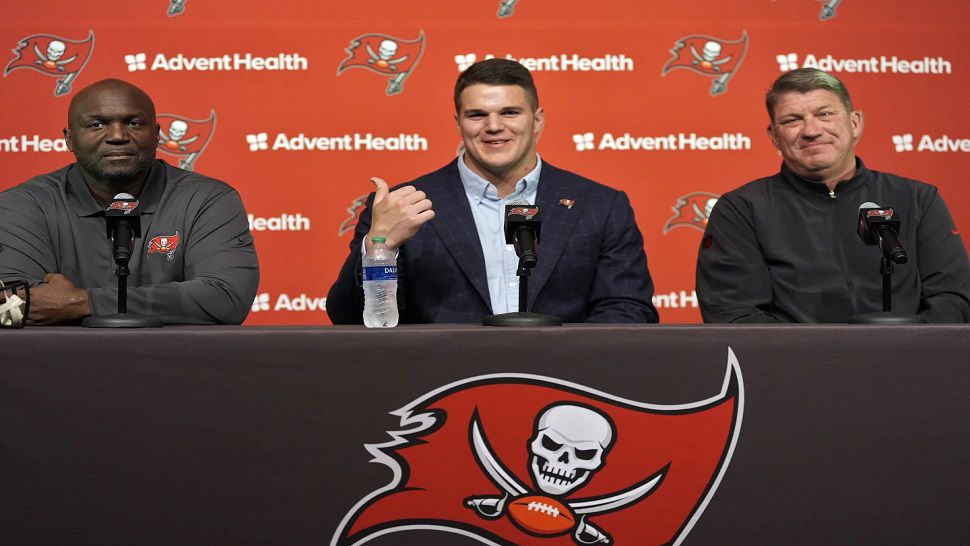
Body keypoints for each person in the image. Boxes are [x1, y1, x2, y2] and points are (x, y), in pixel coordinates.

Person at [328, 59, 658, 324]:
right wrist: (379, 246)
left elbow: (628, 310)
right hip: (442, 386)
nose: (494, 126)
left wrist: (564, 363)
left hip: (563, 385)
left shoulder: (599, 205)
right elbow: (348, 319)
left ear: (538, 119)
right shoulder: (401, 206)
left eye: (510, 112)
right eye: (477, 115)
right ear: (458, 122)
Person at [696, 68, 970, 323]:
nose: (812, 131)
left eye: (825, 114)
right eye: (792, 120)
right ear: (774, 136)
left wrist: (902, 349)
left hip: (911, 366)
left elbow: (954, 298)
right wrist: (825, 358)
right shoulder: (742, 210)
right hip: (792, 371)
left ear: (855, 123)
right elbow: (732, 312)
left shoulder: (917, 199)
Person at [0, 78, 259, 325]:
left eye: (134, 123)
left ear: (157, 134)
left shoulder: (206, 200)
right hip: (56, 366)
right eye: (97, 125)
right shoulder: (23, 204)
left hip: (175, 364)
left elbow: (226, 297)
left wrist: (84, 302)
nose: (117, 135)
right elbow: (8, 303)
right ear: (69, 138)